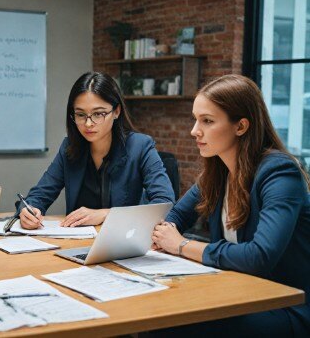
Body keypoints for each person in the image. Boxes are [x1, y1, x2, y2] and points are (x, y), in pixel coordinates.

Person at [150, 74, 310, 336]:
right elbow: (175, 216)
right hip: (239, 292)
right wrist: (162, 235)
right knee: (157, 314)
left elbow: (259, 257)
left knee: (173, 324)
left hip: (287, 305)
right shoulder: (218, 172)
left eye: (207, 121)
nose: (194, 130)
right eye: (195, 119)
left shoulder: (280, 173)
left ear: (241, 126)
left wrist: (181, 245)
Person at [19, 71, 175, 229]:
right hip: (76, 244)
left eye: (98, 114)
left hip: (124, 243)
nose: (88, 123)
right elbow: (39, 195)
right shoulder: (69, 148)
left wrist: (107, 214)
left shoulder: (140, 146)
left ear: (116, 111)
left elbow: (165, 202)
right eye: (80, 115)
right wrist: (29, 210)